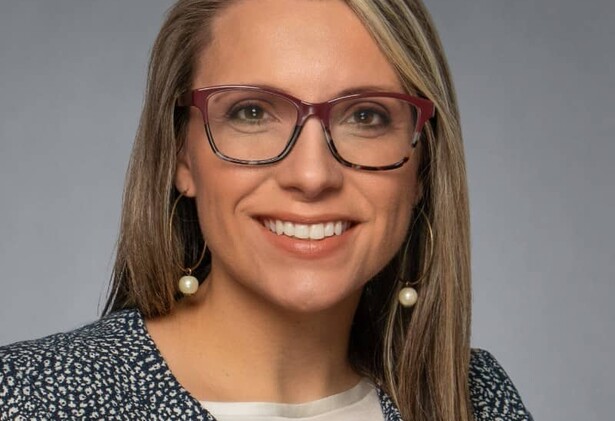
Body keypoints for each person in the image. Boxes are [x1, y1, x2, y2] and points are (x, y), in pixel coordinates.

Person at [0, 0, 533, 420]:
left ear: (421, 165)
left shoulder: (478, 402)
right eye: (252, 112)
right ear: (180, 156)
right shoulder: (27, 399)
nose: (311, 176)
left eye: (366, 116)